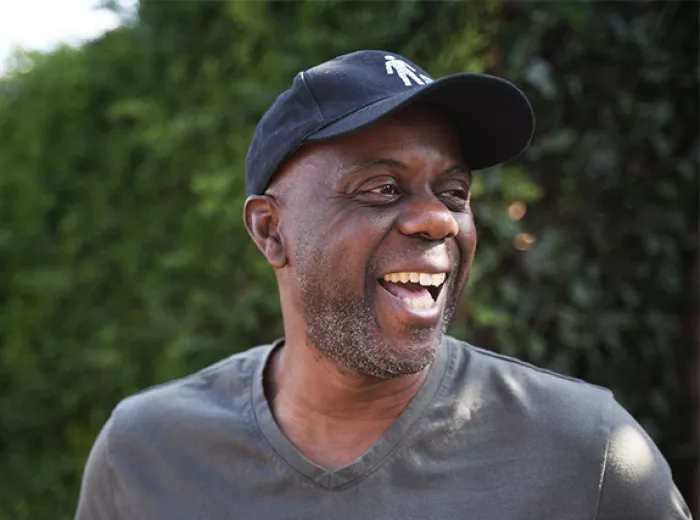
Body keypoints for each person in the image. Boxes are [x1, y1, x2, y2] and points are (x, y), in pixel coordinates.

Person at [75, 50, 691, 520]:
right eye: (383, 188)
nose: (438, 219)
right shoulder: (144, 454)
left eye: (454, 193)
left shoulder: (588, 453)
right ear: (270, 230)